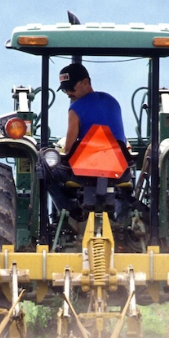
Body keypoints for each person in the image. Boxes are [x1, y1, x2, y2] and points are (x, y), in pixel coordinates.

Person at [46, 63, 133, 221]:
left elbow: (69, 148)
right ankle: (124, 218)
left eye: (71, 88)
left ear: (85, 82)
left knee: (44, 168)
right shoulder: (113, 102)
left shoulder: (75, 108)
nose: (68, 93)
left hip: (84, 174)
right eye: (65, 89)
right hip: (118, 172)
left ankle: (69, 212)